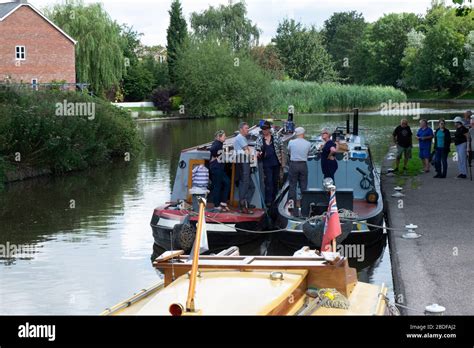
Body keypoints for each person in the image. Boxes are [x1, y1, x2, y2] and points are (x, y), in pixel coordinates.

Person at [255, 121, 284, 207]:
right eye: (263, 129)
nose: (264, 131)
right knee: (269, 182)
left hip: (276, 163)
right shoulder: (259, 139)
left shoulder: (275, 137)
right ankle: (268, 201)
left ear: (269, 129)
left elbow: (281, 147)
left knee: (275, 181)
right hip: (266, 164)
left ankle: (274, 198)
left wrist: (282, 162)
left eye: (265, 129)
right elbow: (257, 148)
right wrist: (258, 153)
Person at [287, 127, 311, 215]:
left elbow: (289, 152)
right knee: (303, 186)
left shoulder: (291, 142)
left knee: (292, 186)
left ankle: (292, 207)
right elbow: (308, 153)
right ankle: (304, 205)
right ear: (303, 133)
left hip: (293, 164)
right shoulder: (308, 143)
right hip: (303, 165)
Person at [234, 122, 255, 214]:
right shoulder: (239, 137)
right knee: (245, 184)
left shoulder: (243, 138)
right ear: (241, 129)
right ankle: (242, 206)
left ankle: (246, 202)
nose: (248, 130)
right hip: (242, 162)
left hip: (245, 161)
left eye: (248, 128)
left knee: (252, 186)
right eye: (246, 128)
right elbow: (247, 150)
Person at [209, 130, 231, 211]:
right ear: (219, 137)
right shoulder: (217, 143)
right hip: (216, 168)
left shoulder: (219, 144)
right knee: (217, 186)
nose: (225, 137)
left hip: (219, 169)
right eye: (224, 136)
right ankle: (216, 205)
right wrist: (216, 156)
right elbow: (212, 150)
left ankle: (223, 202)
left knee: (227, 182)